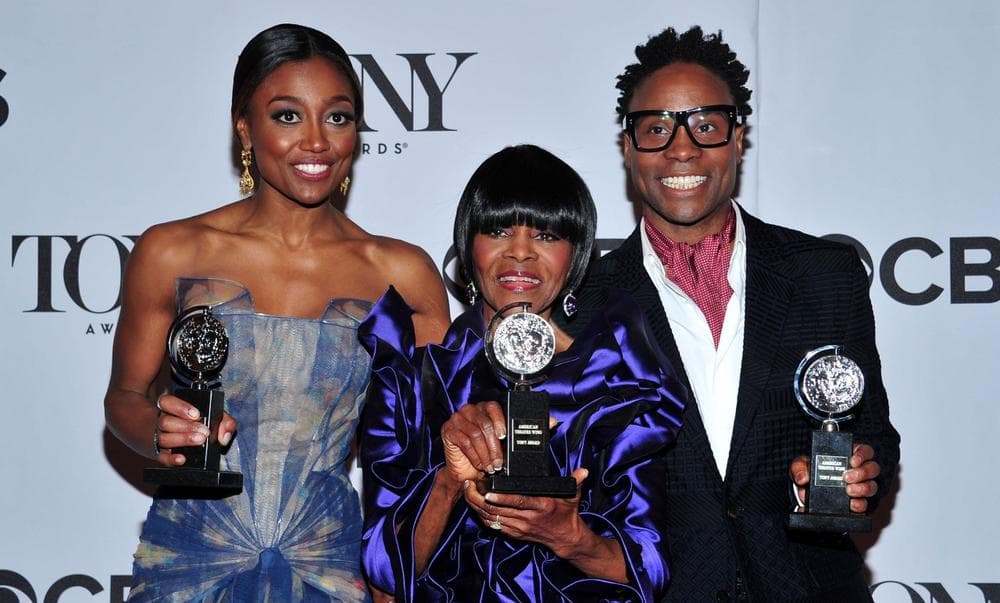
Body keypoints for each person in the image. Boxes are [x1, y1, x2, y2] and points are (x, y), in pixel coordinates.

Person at [103, 23, 449, 602]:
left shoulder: (403, 275)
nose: (316, 140)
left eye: (337, 117)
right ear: (245, 126)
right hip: (191, 557)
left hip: (332, 563)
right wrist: (159, 434)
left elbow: (424, 447)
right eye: (288, 115)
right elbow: (123, 400)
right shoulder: (171, 252)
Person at [564, 26, 901, 602]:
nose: (681, 148)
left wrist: (863, 472)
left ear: (737, 138)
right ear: (628, 148)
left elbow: (871, 435)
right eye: (655, 128)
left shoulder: (824, 273)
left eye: (706, 124)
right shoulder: (585, 300)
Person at [357, 144, 687, 602]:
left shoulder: (616, 382)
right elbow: (385, 574)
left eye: (548, 236)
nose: (521, 254)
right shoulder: (411, 384)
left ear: (577, 254)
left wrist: (570, 537)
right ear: (468, 242)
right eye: (498, 229)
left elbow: (647, 572)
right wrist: (449, 482)